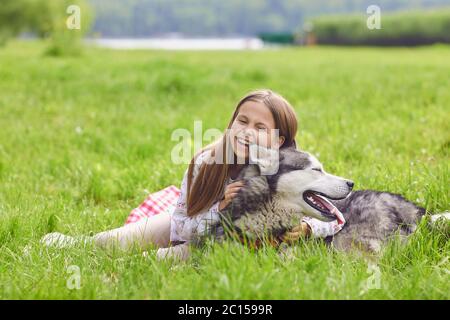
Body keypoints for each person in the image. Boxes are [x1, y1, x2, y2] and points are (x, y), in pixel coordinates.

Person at [41, 89, 345, 261]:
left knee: (144, 263)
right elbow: (183, 227)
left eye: (261, 127)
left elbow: (335, 216)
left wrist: (307, 228)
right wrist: (220, 210)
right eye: (242, 120)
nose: (247, 132)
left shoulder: (295, 171)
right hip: (193, 225)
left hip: (221, 247)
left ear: (279, 141)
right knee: (114, 243)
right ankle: (68, 243)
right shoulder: (207, 163)